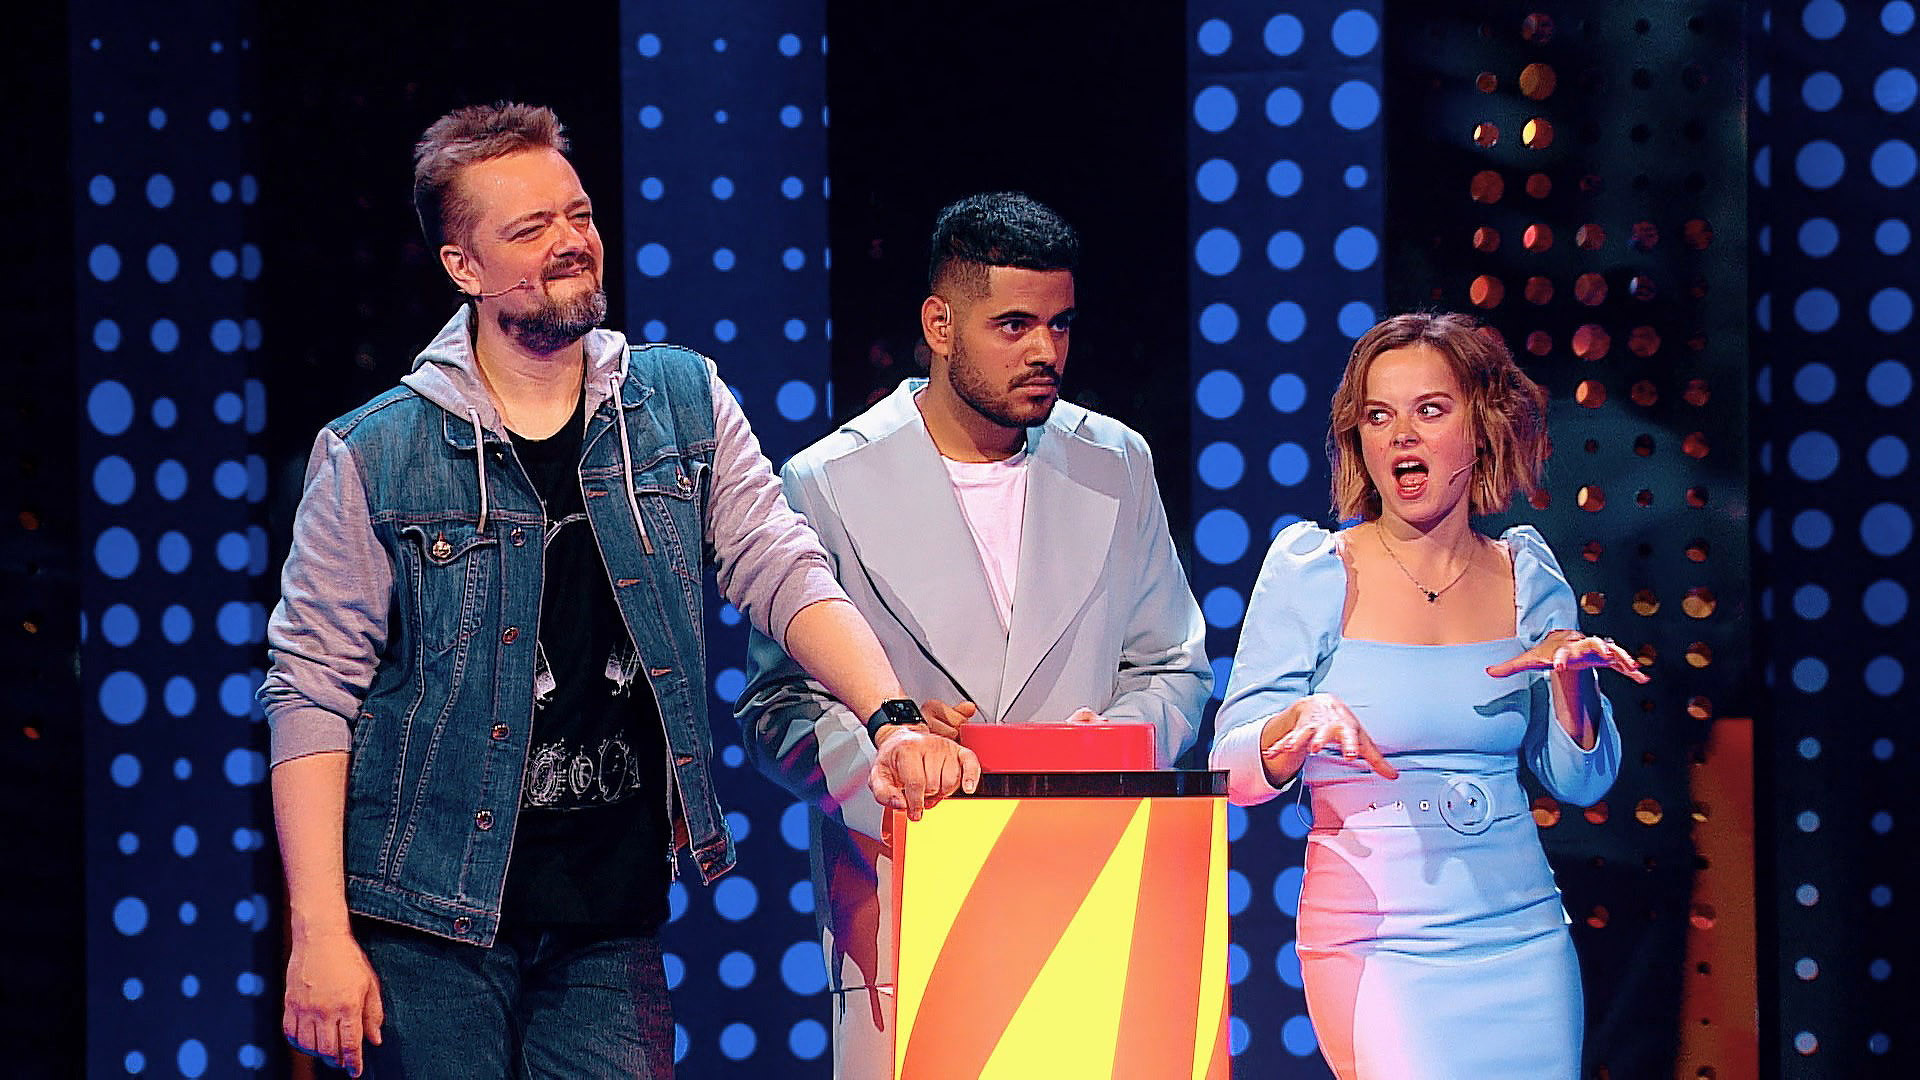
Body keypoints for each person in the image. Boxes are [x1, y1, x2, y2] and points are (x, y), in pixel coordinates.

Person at [258, 102, 917, 1079]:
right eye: (531, 229)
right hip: (426, 920)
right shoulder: (375, 452)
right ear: (462, 266)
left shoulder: (680, 403)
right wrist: (319, 933)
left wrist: (890, 715)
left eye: (579, 214)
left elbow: (781, 566)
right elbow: (313, 689)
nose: (572, 242)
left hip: (609, 917)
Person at [736, 191, 1212, 1077]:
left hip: (1099, 888)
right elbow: (776, 708)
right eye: (1015, 326)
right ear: (940, 326)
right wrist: (890, 762)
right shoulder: (826, 481)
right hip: (911, 906)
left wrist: (1111, 747)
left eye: (1060, 326)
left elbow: (1172, 667)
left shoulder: (1117, 461)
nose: (1045, 353)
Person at [1210, 312, 1647, 1079]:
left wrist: (1573, 688)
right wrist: (1297, 722)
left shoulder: (1526, 573)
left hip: (1521, 937)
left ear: (1481, 427)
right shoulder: (1315, 568)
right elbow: (1232, 770)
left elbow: (1583, 783)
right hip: (1375, 942)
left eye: (1430, 410)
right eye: (1379, 416)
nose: (1401, 436)